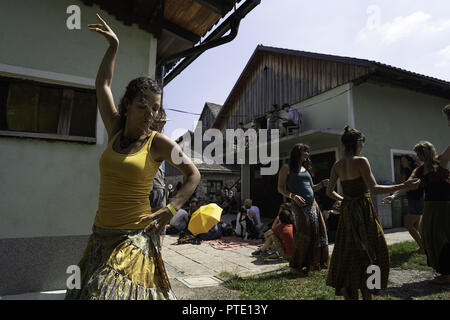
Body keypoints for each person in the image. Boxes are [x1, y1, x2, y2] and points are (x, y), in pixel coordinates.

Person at [65, 14, 200, 300]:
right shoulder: (115, 128)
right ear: (127, 105)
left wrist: (172, 209)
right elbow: (102, 85)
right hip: (100, 235)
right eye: (142, 106)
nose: (149, 114)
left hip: (133, 238)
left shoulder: (158, 143)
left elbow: (193, 174)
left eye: (155, 108)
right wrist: (113, 48)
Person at [325, 126, 420, 300]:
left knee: (349, 252)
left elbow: (329, 191)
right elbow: (374, 189)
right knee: (373, 251)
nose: (363, 146)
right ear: (357, 143)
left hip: (348, 212)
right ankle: (368, 292)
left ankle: (351, 291)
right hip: (363, 210)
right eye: (362, 142)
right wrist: (403, 185)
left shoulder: (337, 165)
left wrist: (344, 200)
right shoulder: (361, 161)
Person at [277, 143, 330, 274]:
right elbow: (280, 188)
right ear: (297, 153)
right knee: (303, 235)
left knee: (317, 234)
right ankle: (296, 266)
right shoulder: (286, 168)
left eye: (307, 152)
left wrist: (322, 184)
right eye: (305, 152)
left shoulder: (305, 169)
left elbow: (312, 188)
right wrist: (293, 196)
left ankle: (313, 264)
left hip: (313, 205)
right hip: (299, 206)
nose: (307, 154)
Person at [411, 141, 450, 284]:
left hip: (444, 206)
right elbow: (409, 183)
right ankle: (443, 271)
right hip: (429, 207)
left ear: (426, 152)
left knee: (442, 237)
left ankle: (447, 274)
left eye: (419, 153)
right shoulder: (420, 170)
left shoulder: (441, 161)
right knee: (428, 236)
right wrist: (394, 195)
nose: (418, 156)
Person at [382, 155, 425, 253]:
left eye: (403, 161)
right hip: (413, 199)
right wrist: (393, 196)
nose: (402, 163)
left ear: (409, 161)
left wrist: (393, 196)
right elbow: (406, 187)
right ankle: (423, 247)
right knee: (415, 226)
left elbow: (407, 187)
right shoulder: (408, 172)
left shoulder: (416, 171)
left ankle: (423, 248)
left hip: (417, 199)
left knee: (408, 224)